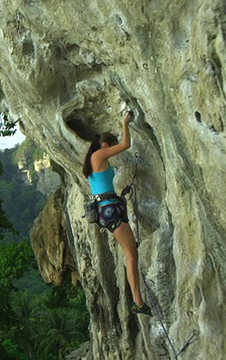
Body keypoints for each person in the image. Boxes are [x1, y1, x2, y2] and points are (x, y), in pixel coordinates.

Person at [82, 111, 152, 316]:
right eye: (110, 147)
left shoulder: (95, 161)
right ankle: (137, 302)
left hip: (111, 208)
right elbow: (125, 145)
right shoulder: (98, 155)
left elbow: (103, 188)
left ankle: (137, 300)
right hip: (110, 211)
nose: (113, 151)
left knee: (132, 253)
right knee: (131, 255)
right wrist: (125, 123)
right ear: (105, 146)